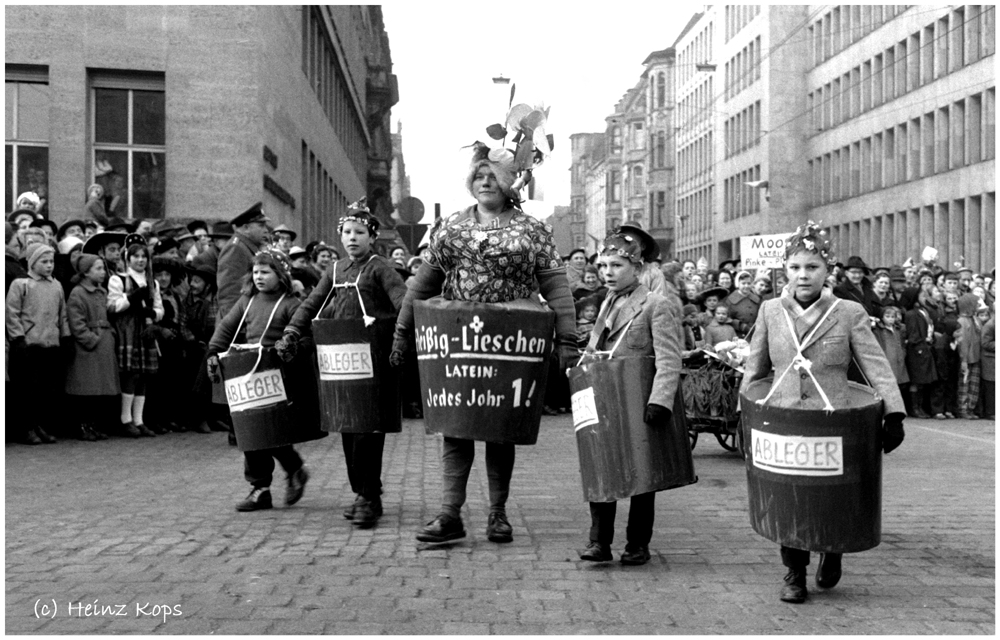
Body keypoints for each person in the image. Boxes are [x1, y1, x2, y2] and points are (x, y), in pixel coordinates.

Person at [391, 144, 577, 545]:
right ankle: (449, 513)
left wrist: (568, 341)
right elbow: (420, 286)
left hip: (510, 341)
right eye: (479, 176)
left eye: (494, 175)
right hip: (459, 339)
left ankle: (497, 513)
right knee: (455, 428)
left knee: (499, 427)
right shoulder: (452, 228)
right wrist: (402, 333)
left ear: (512, 182)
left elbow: (557, 288)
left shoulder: (532, 230)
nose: (486, 182)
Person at [741, 221, 906, 604]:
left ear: (826, 271)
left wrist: (893, 414)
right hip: (785, 417)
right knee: (788, 495)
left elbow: (875, 364)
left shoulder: (848, 312)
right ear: (785, 270)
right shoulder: (770, 311)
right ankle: (794, 573)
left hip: (835, 420)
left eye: (812, 267)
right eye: (796, 267)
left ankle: (833, 550)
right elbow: (755, 368)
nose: (803, 275)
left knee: (833, 495)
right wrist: (744, 412)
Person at [278, 200, 407, 528]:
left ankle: (367, 496)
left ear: (372, 237)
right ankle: (365, 493)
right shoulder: (334, 271)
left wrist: (399, 337)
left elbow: (403, 303)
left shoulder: (380, 268)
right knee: (349, 428)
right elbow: (311, 303)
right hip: (342, 361)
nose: (352, 238)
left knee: (368, 428)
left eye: (359, 232)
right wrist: (293, 330)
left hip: (375, 360)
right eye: (347, 232)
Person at [578, 231, 683, 566]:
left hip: (639, 401)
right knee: (602, 468)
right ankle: (599, 542)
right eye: (604, 265)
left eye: (617, 265)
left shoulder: (655, 304)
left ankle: (637, 543)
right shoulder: (605, 304)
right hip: (606, 399)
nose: (607, 272)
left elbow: (669, 357)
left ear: (636, 268)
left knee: (641, 477)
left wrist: (661, 401)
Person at [207, 248, 310, 512]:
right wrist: (213, 351)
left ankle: (293, 467)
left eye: (265, 272)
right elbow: (227, 327)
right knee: (250, 431)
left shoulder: (292, 305)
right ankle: (261, 488)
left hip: (278, 376)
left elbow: (306, 337)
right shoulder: (247, 300)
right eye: (255, 272)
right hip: (248, 374)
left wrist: (291, 348)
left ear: (281, 275)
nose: (259, 277)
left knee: (270, 431)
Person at [6, 242, 69, 444]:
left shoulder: (56, 285)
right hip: (29, 344)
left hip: (50, 344)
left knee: (45, 390)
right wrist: (18, 338)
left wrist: (65, 336)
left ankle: (39, 425)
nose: (49, 265)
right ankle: (26, 428)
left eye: (51, 261)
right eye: (44, 261)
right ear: (32, 262)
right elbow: (12, 313)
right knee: (27, 390)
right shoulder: (21, 284)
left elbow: (63, 314)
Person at [107, 239, 164, 438]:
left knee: (144, 375)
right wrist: (131, 298)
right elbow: (113, 307)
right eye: (136, 256)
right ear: (128, 258)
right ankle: (125, 419)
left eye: (143, 257)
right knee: (130, 374)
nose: (140, 260)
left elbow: (160, 310)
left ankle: (139, 420)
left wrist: (152, 313)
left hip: (145, 329)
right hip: (128, 329)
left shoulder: (152, 282)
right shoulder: (118, 280)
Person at [65, 253, 118, 440]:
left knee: (100, 390)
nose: (103, 272)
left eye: (103, 268)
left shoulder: (102, 292)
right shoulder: (78, 293)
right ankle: (83, 426)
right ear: (86, 272)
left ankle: (94, 425)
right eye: (98, 268)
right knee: (86, 390)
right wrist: (91, 339)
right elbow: (76, 322)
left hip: (104, 343)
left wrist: (109, 334)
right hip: (89, 347)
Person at [873, 305, 909, 408]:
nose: (890, 319)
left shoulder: (898, 329)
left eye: (892, 317)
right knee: (888, 384)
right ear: (882, 317)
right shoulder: (878, 330)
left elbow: (902, 343)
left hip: (899, 360)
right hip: (887, 359)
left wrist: (903, 352)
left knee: (900, 384)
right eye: (887, 316)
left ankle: (896, 406)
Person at [956, 293, 982, 419]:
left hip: (975, 357)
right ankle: (963, 408)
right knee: (965, 385)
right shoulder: (962, 321)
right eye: (976, 304)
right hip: (967, 358)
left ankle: (971, 407)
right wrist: (964, 360)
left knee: (973, 386)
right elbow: (963, 342)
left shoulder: (974, 319)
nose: (978, 306)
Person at [724, 271, 761, 338]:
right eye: (743, 283)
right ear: (738, 284)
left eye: (748, 283)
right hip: (738, 334)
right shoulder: (730, 300)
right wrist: (741, 325)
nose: (746, 286)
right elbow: (727, 318)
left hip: (755, 333)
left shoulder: (756, 299)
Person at [981, 313, 995, 419]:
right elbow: (985, 343)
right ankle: (991, 412)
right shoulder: (990, 325)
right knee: (991, 386)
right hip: (990, 359)